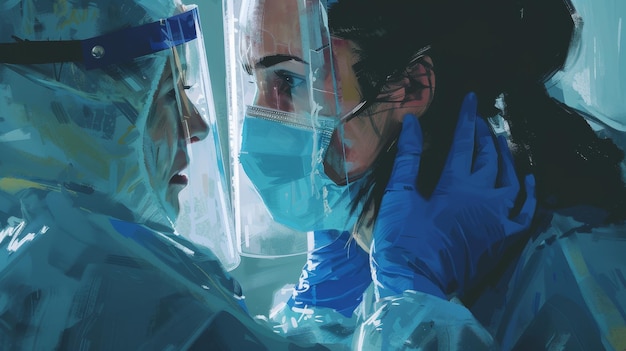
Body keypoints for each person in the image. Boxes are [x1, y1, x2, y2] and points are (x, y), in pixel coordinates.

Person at [225, 0, 626, 349]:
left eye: (289, 79)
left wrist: (412, 301)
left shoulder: (576, 271)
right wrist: (325, 314)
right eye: (254, 79)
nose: (258, 115)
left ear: (411, 87)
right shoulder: (364, 252)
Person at [0, 0, 329, 349]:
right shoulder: (115, 278)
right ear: (80, 106)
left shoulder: (25, 249)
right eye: (172, 94)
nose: (198, 128)